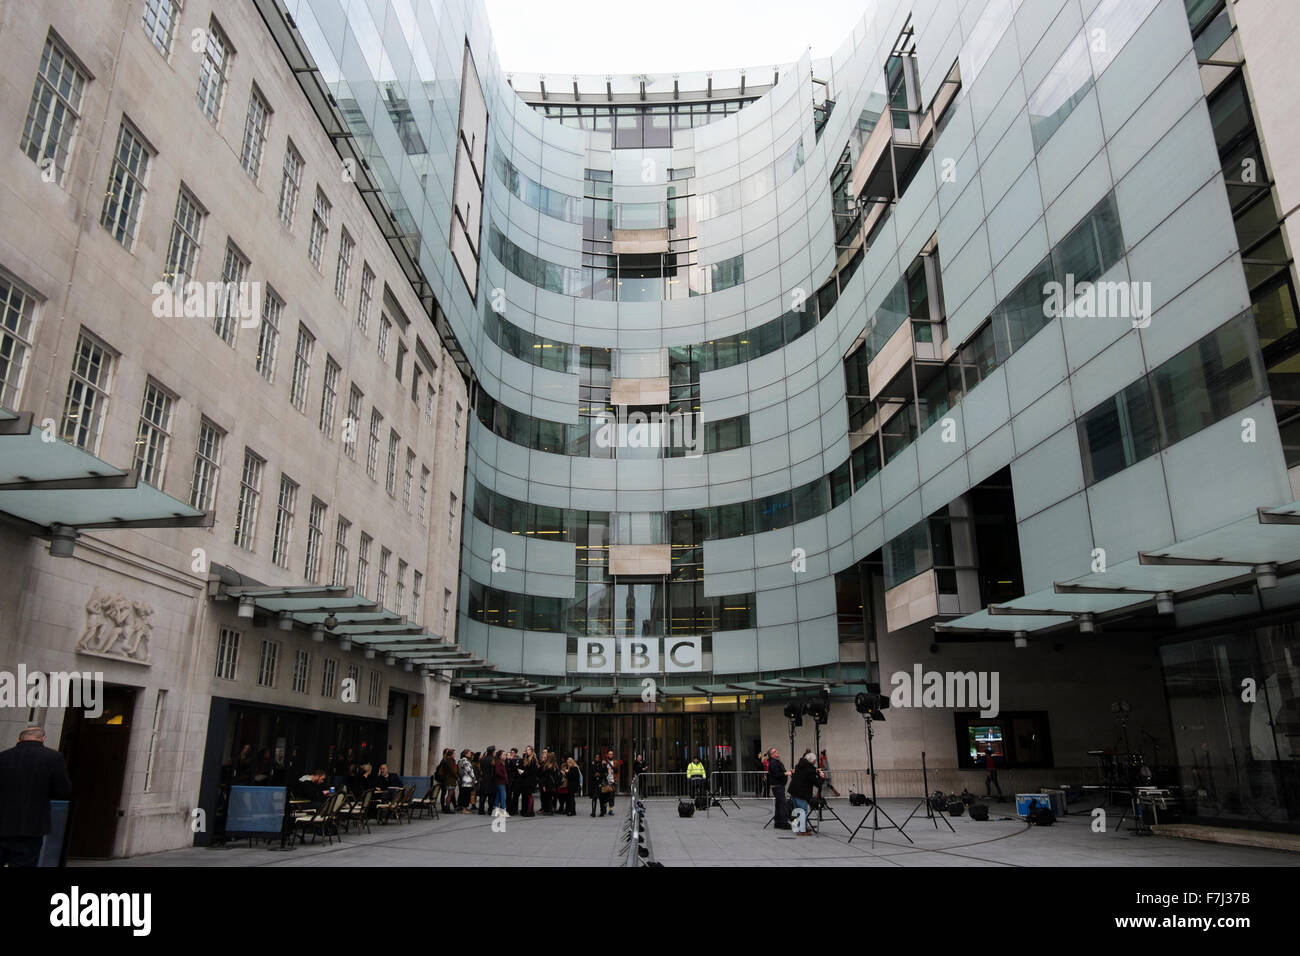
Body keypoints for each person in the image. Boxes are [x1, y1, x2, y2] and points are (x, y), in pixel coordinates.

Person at [0, 726, 73, 867]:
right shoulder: (53, 757)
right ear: (43, 738)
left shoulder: (3, 756)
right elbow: (63, 791)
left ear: (18, 739)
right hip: (31, 825)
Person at [788, 750, 823, 836]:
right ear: (813, 761)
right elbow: (817, 783)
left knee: (796, 811)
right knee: (803, 811)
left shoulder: (799, 766)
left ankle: (797, 828)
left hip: (793, 791)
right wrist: (822, 777)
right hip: (802, 793)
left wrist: (815, 771)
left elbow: (807, 771)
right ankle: (802, 831)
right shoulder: (809, 770)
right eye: (815, 761)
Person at [766, 747, 791, 831]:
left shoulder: (775, 762)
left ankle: (778, 822)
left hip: (778, 786)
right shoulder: (773, 763)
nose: (777, 752)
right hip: (777, 786)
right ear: (772, 755)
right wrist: (785, 773)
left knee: (779, 804)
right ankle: (784, 823)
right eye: (775, 751)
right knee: (782, 804)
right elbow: (776, 774)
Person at [519, 748, 539, 816]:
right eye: (526, 750)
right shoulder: (527, 759)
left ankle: (529, 811)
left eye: (528, 750)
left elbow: (532, 772)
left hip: (530, 781)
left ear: (531, 751)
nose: (527, 751)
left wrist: (523, 772)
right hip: (526, 781)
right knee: (526, 796)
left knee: (529, 796)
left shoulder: (533, 760)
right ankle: (526, 810)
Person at [478, 747, 496, 815]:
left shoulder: (482, 759)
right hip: (491, 780)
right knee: (491, 797)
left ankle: (481, 810)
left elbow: (481, 770)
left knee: (482, 797)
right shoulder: (492, 759)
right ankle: (490, 810)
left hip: (483, 779)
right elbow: (494, 771)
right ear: (492, 752)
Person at [492, 750, 510, 817]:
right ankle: (503, 811)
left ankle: (495, 811)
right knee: (503, 796)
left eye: (505, 754)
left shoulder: (500, 762)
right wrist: (505, 777)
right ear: (500, 756)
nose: (505, 756)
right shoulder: (498, 763)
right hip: (500, 782)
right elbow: (497, 772)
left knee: (498, 796)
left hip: (499, 782)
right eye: (503, 755)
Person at [505, 748, 521, 816]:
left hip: (516, 780)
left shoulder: (518, 759)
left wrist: (511, 761)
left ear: (515, 753)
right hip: (509, 780)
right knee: (508, 795)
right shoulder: (507, 760)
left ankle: (515, 809)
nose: (511, 754)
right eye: (511, 752)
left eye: (513, 752)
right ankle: (509, 809)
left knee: (515, 796)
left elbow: (516, 769)